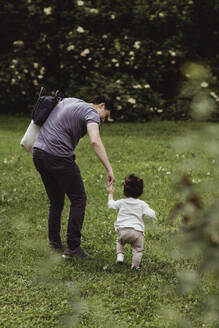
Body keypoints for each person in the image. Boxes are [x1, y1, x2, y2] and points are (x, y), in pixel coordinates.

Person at [33, 95, 115, 259]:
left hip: (38, 152)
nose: (102, 121)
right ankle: (73, 248)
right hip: (58, 157)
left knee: (56, 200)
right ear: (101, 105)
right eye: (104, 116)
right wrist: (109, 168)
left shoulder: (69, 100)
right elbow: (95, 141)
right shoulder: (91, 112)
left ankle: (54, 244)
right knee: (78, 199)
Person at [107, 174, 156, 269]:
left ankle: (120, 255)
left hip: (122, 231)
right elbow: (151, 214)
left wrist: (110, 193)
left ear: (125, 191)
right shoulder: (142, 204)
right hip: (137, 232)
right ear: (141, 192)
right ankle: (135, 266)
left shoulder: (121, 202)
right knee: (137, 250)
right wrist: (147, 214)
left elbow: (111, 205)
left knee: (120, 241)